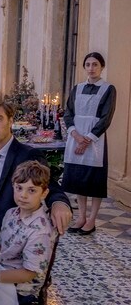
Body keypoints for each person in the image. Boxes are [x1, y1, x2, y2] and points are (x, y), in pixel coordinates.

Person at [0, 99, 72, 242]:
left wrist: (59, 204)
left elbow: (50, 186)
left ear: (10, 121)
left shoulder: (27, 155)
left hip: (8, 234)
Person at [0, 160, 57, 305]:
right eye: (19, 188)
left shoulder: (40, 230)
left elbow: (29, 274)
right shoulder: (11, 214)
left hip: (22, 288)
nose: (23, 195)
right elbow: (1, 248)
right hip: (3, 267)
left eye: (32, 190)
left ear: (44, 193)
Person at [63, 52, 117, 235]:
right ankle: (81, 217)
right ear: (84, 67)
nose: (91, 68)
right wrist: (76, 136)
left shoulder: (108, 89)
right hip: (75, 137)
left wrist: (87, 140)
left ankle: (92, 219)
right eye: (88, 64)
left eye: (95, 64)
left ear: (102, 67)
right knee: (79, 179)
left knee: (93, 180)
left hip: (95, 141)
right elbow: (68, 113)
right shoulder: (76, 88)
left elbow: (106, 118)